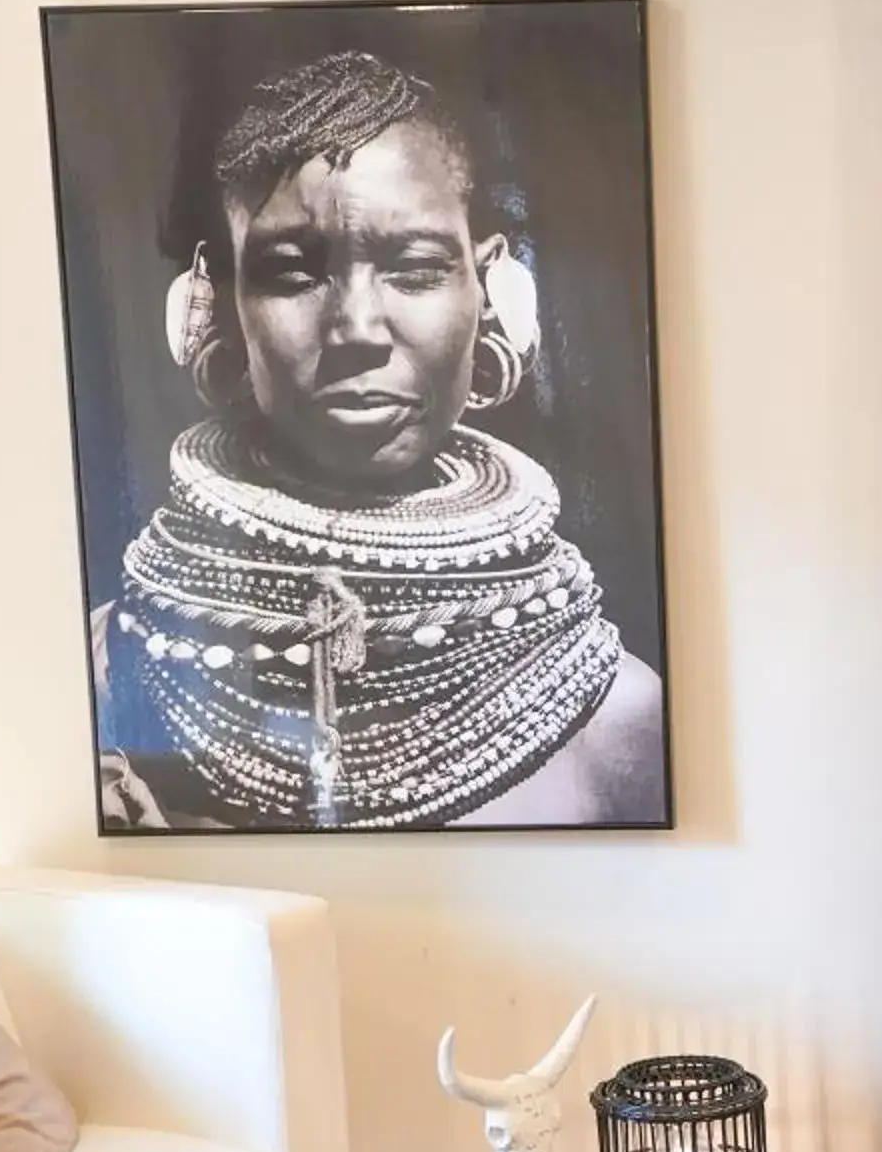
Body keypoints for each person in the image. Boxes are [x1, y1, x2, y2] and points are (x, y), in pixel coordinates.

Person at [92, 49, 666, 829]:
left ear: (490, 288)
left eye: (416, 268)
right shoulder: (105, 672)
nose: (357, 330)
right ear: (217, 302)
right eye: (292, 273)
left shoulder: (617, 720)